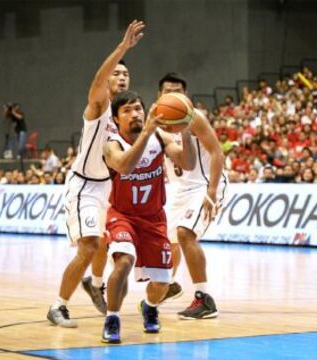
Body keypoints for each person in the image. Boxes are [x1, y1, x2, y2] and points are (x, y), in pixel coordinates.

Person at [47, 20, 145, 328]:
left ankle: (95, 282)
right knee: (89, 246)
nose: (120, 76)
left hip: (109, 188)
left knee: (107, 243)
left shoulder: (127, 113)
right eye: (116, 72)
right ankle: (58, 306)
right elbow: (99, 78)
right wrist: (123, 48)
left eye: (125, 73)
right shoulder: (100, 106)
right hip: (85, 186)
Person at [101, 91, 196, 343]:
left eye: (138, 109)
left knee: (162, 283)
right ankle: (112, 317)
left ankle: (149, 306)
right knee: (124, 261)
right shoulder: (111, 144)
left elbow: (188, 163)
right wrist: (146, 132)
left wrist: (184, 130)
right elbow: (124, 166)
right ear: (116, 119)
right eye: (127, 111)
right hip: (122, 215)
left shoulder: (160, 136)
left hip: (154, 218)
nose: (135, 114)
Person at [158, 72, 228, 319]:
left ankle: (204, 299)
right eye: (168, 91)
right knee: (168, 241)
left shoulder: (194, 117)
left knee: (185, 233)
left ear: (185, 95)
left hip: (205, 184)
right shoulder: (155, 121)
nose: (173, 95)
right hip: (180, 188)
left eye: (178, 91)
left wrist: (211, 192)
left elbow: (217, 153)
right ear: (160, 95)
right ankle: (168, 284)